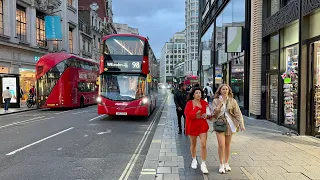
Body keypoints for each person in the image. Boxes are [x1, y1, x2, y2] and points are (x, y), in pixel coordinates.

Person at [210, 84, 245, 174]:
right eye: (223, 89)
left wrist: (241, 124)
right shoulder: (216, 100)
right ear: (220, 91)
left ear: (229, 91)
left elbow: (238, 113)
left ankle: (226, 163)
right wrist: (220, 104)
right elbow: (213, 112)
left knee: (227, 145)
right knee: (221, 145)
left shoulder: (233, 101)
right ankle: (221, 164)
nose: (225, 91)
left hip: (230, 124)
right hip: (220, 124)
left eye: (226, 89)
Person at [184, 87, 209, 174]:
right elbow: (188, 115)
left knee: (203, 145)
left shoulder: (205, 103)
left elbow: (209, 114)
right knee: (193, 144)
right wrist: (196, 109)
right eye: (197, 93)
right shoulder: (189, 103)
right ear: (193, 95)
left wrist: (207, 115)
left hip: (202, 125)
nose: (199, 94)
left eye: (200, 93)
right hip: (193, 126)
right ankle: (194, 159)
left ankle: (203, 163)